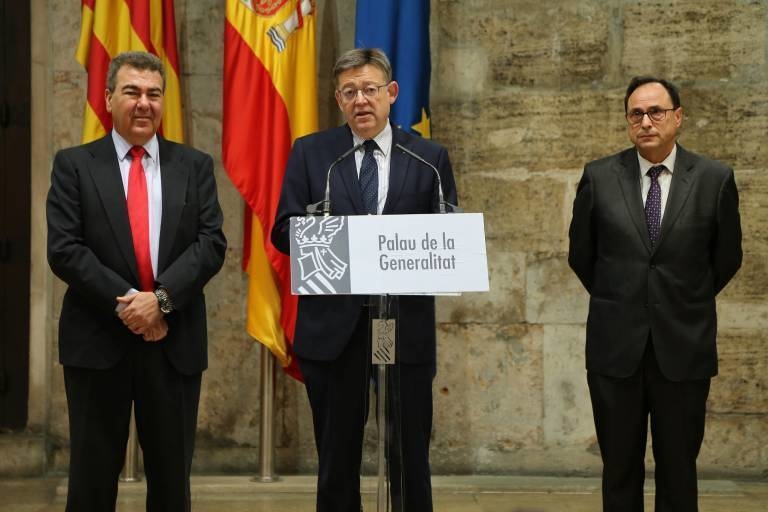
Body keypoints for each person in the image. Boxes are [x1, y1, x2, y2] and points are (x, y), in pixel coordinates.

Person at [271, 48, 457, 512]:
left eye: (370, 90)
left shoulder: (429, 157)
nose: (361, 101)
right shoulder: (313, 154)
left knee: (410, 454)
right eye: (350, 92)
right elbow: (282, 229)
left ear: (391, 93)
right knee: (336, 457)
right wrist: (342, 240)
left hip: (404, 326)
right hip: (333, 329)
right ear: (338, 99)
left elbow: (446, 235)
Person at [46, 51, 226, 511]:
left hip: (173, 345)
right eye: (131, 92)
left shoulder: (195, 165)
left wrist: (161, 301)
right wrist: (133, 304)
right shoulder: (74, 165)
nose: (143, 103)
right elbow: (65, 250)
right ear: (108, 99)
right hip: (97, 342)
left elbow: (211, 244)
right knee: (90, 481)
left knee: (171, 484)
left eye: (153, 93)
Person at [568, 76, 742, 511]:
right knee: (619, 470)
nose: (645, 122)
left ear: (677, 117)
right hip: (616, 349)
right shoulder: (600, 176)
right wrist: (626, 295)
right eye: (636, 114)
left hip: (683, 346)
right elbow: (581, 255)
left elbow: (726, 259)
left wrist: (680, 297)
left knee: (679, 471)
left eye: (656, 112)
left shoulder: (714, 179)